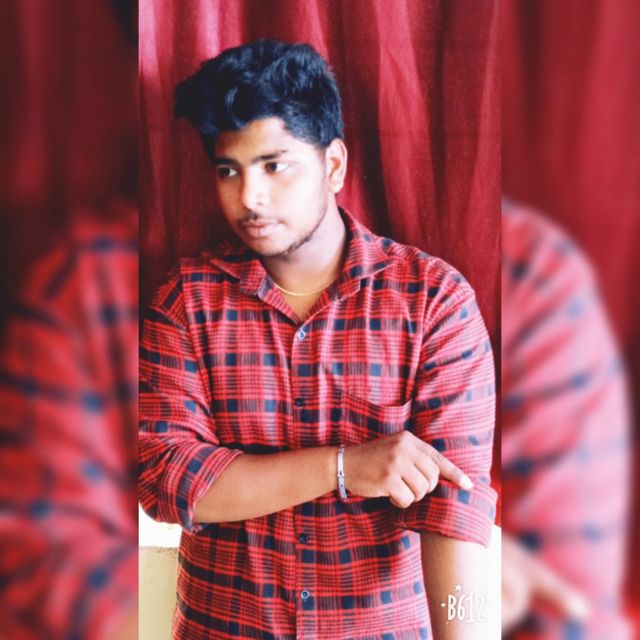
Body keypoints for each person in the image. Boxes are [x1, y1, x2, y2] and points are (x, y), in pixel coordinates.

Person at [139, 39, 497, 639]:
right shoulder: (187, 300)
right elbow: (167, 479)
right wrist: (346, 467)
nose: (249, 197)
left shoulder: (433, 302)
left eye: (274, 165)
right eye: (229, 170)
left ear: (333, 166)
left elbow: (455, 513)